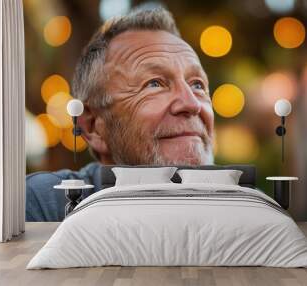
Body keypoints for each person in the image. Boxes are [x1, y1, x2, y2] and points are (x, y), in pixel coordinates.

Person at [26, 7, 214, 221]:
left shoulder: (242, 208)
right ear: (94, 127)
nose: (192, 104)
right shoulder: (42, 205)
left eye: (197, 85)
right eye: (154, 84)